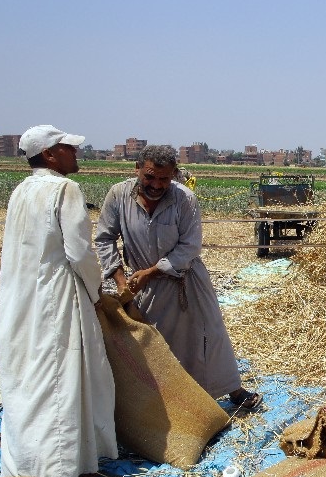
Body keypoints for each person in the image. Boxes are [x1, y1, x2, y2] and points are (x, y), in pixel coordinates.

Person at [94, 145, 261, 411]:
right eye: (150, 177)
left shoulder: (184, 199)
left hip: (185, 281)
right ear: (137, 169)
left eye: (164, 179)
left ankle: (232, 389)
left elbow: (190, 247)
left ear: (173, 175)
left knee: (208, 337)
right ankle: (171, 403)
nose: (156, 185)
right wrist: (121, 280)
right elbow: (104, 238)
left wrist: (152, 271)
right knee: (155, 346)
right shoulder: (119, 195)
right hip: (142, 288)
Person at [0, 124, 118, 477]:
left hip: (22, 296)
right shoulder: (64, 188)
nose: (75, 154)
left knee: (29, 376)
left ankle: (29, 465)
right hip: (57, 296)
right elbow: (79, 252)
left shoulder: (22, 190)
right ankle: (65, 473)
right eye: (68, 148)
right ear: (49, 154)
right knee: (61, 377)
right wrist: (98, 292)